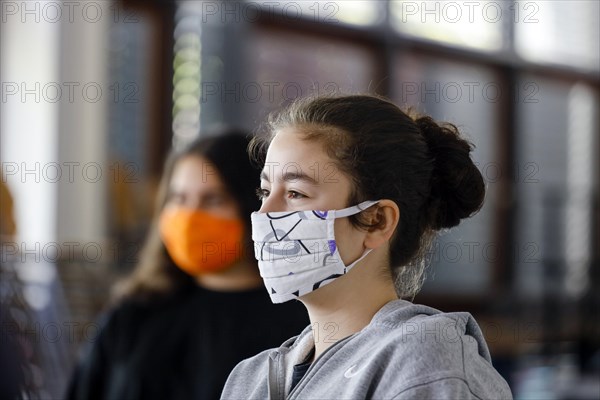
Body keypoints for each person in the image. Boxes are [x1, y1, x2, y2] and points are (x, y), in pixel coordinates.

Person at [221, 94, 513, 399]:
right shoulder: (249, 378)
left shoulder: (425, 364)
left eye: (296, 193)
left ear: (376, 221)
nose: (265, 213)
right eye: (265, 190)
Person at [66, 129, 308, 400]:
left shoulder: (301, 323)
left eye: (213, 200)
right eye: (179, 199)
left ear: (252, 206)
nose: (191, 216)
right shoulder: (135, 313)